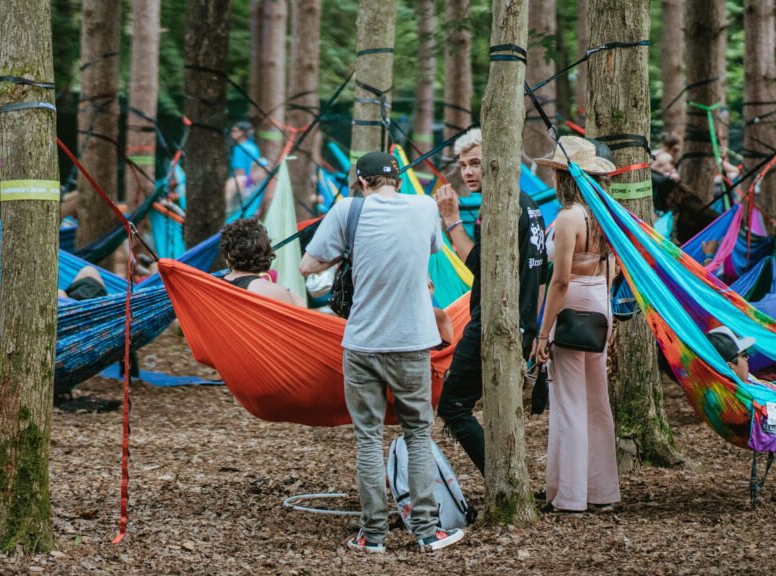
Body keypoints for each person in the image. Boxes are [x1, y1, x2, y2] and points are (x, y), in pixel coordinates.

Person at [299, 151, 464, 553]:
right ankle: (427, 531)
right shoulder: (425, 207)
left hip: (362, 344)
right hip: (411, 343)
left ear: (362, 181)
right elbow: (430, 253)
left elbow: (307, 266)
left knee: (368, 439)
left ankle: (372, 536)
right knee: (418, 436)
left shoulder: (346, 211)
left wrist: (346, 252)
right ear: (398, 180)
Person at [434, 127, 548, 476]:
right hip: (521, 323)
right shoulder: (530, 206)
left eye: (476, 164)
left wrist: (452, 220)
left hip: (494, 323)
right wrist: (535, 327)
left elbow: (479, 267)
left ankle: (502, 479)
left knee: (453, 406)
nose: (468, 172)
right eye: (463, 165)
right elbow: (541, 274)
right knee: (501, 407)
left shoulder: (499, 208)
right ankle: (509, 479)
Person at [532, 136, 621, 514]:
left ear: (565, 178)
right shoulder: (604, 215)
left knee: (568, 401)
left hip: (571, 304)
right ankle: (601, 490)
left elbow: (561, 280)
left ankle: (569, 496)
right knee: (596, 400)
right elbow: (613, 269)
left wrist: (541, 331)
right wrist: (609, 317)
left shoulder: (569, 217)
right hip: (599, 299)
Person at [221, 218, 303, 306]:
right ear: (265, 253)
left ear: (228, 256)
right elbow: (298, 318)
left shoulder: (212, 288)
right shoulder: (276, 293)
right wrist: (298, 300)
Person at [706, 326, 776, 394]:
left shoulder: (744, 381)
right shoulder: (744, 397)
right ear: (730, 367)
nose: (747, 358)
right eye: (744, 355)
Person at [224, 121, 262, 214]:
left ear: (242, 133)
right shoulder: (253, 147)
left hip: (240, 185)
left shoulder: (239, 148)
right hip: (252, 185)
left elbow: (239, 172)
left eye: (235, 131)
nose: (232, 133)